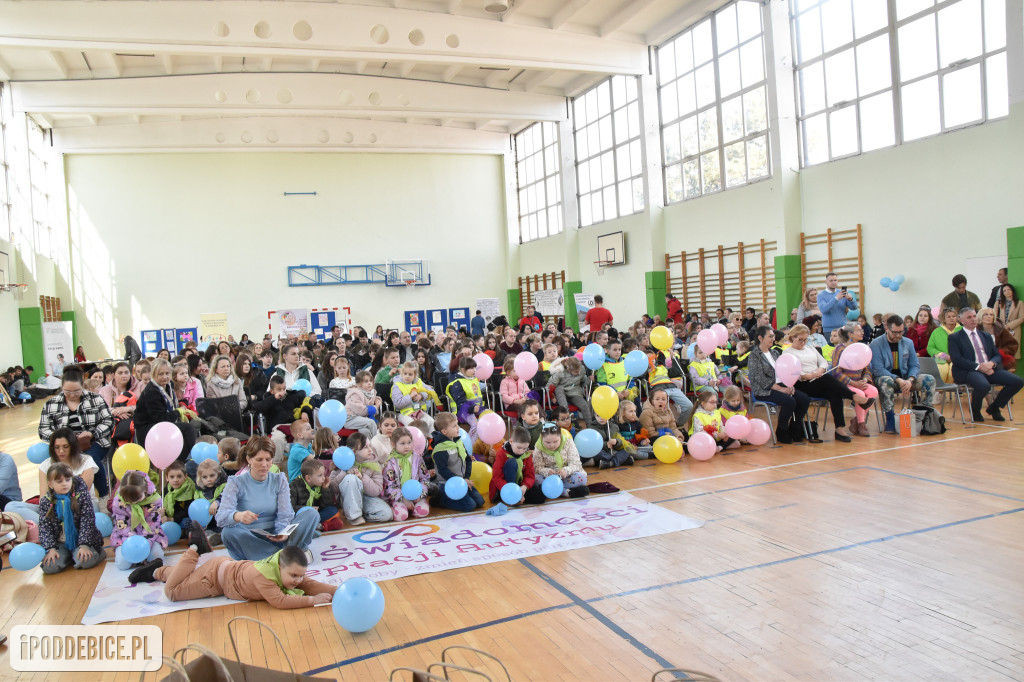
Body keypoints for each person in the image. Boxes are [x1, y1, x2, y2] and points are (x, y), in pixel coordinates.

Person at [135, 542, 336, 610]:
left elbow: (309, 583)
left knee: (186, 579)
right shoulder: (265, 577)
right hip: (213, 581)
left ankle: (155, 571)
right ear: (280, 566)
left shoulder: (281, 566)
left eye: (300, 576)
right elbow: (280, 601)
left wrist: (337, 591)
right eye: (294, 575)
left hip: (224, 567)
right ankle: (195, 550)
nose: (298, 580)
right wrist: (312, 601)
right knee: (172, 591)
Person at [215, 436, 319, 561]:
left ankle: (279, 557)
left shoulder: (279, 479)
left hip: (276, 536)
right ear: (249, 459)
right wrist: (238, 516)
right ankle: (285, 557)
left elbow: (285, 513)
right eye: (259, 460)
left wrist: (282, 533)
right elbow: (221, 517)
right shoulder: (236, 482)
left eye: (268, 459)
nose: (264, 465)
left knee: (311, 513)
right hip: (250, 539)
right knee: (228, 532)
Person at [786, 323, 873, 442]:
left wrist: (819, 370)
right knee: (827, 378)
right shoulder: (788, 353)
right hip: (803, 383)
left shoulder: (810, 348)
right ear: (793, 337)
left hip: (817, 380)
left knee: (835, 393)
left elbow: (823, 362)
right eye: (801, 339)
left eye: (806, 339)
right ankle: (854, 397)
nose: (803, 342)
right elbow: (793, 373)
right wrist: (810, 375)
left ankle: (839, 429)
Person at [38, 368, 114, 500]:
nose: (72, 395)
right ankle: (57, 497)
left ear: (83, 385)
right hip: (63, 445)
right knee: (50, 464)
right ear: (62, 387)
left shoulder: (95, 399)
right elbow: (43, 429)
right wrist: (61, 438)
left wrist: (92, 434)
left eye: (76, 391)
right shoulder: (51, 404)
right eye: (67, 391)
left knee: (91, 458)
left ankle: (103, 496)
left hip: (93, 442)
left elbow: (109, 421)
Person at [948, 308, 1024, 421]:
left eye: (974, 316)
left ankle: (994, 407)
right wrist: (980, 367)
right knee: (984, 386)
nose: (973, 319)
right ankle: (975, 410)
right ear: (961, 320)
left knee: (1018, 381)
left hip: (989, 368)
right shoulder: (955, 337)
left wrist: (991, 363)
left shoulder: (986, 335)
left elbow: (996, 354)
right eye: (969, 317)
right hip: (969, 370)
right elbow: (957, 359)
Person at [869, 315, 937, 433]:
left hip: (906, 379)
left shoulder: (908, 343)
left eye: (901, 332)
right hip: (886, 379)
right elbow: (878, 369)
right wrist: (898, 380)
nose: (898, 335)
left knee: (929, 379)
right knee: (886, 381)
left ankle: (924, 416)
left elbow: (914, 365)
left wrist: (910, 380)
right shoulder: (876, 344)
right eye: (895, 332)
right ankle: (890, 419)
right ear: (887, 329)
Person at [38, 462, 106, 574]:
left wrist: (84, 545)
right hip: (60, 544)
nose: (64, 484)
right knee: (49, 567)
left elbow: (87, 522)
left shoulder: (81, 496)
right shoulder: (46, 501)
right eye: (59, 481)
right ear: (50, 484)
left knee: (86, 561)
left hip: (80, 541)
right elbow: (45, 527)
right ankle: (69, 557)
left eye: (67, 480)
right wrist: (51, 549)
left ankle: (96, 553)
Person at [747, 325, 810, 444]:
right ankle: (781, 431)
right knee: (789, 401)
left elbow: (783, 371)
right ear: (760, 338)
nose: (773, 339)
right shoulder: (754, 356)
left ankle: (794, 429)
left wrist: (789, 384)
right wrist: (781, 389)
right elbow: (760, 379)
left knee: (804, 399)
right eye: (770, 336)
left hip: (780, 386)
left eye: (773, 336)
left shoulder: (775, 352)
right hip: (764, 390)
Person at [134, 358, 197, 463]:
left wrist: (182, 405)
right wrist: (178, 412)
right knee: (188, 429)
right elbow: (161, 419)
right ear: (153, 374)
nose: (165, 377)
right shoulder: (152, 391)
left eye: (167, 373)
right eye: (160, 374)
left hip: (161, 424)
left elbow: (169, 404)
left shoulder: (169, 385)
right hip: (148, 429)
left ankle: (179, 460)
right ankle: (177, 463)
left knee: (194, 423)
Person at [111, 470, 168, 570]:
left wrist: (144, 548)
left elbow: (152, 525)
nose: (133, 502)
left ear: (145, 490)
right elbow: (123, 526)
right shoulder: (118, 501)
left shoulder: (155, 500)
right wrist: (134, 547)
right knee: (122, 564)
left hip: (150, 536)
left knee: (156, 558)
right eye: (128, 499)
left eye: (136, 498)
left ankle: (142, 558)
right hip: (126, 538)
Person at [334, 432, 393, 526]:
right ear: (354, 451)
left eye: (370, 446)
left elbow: (376, 491)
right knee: (351, 478)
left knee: (386, 514)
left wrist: (362, 477)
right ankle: (354, 516)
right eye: (365, 447)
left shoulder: (374, 464)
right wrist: (344, 472)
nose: (370, 450)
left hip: (366, 498)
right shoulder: (343, 460)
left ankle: (358, 513)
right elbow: (332, 487)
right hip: (348, 498)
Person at [432, 412, 485, 512]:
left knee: (480, 502)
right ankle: (441, 500)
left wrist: (466, 478)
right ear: (444, 431)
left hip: (462, 481)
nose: (458, 428)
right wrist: (462, 481)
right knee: (470, 506)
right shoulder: (440, 449)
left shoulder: (458, 442)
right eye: (454, 426)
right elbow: (443, 470)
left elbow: (468, 460)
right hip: (448, 484)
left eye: (457, 424)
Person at [832, 323, 877, 437]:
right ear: (850, 334)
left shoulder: (862, 348)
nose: (862, 332)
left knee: (873, 391)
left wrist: (865, 380)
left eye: (862, 330)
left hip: (859, 382)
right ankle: (861, 424)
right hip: (845, 384)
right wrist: (853, 383)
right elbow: (836, 372)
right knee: (860, 394)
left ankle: (856, 421)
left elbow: (867, 369)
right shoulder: (840, 349)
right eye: (858, 330)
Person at [382, 426, 430, 521]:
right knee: (401, 516)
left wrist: (419, 495)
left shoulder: (417, 458)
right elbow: (389, 485)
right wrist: (403, 499)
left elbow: (425, 478)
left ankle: (414, 507)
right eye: (402, 443)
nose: (407, 446)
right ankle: (397, 507)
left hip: (417, 495)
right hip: (399, 497)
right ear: (393, 444)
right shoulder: (390, 462)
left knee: (423, 511)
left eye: (409, 442)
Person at [489, 426, 546, 505]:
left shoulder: (527, 454)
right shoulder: (501, 453)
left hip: (520, 484)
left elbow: (530, 475)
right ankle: (511, 497)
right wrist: (510, 490)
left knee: (540, 497)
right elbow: (497, 477)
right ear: (511, 441)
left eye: (525, 448)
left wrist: (524, 486)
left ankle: (518, 498)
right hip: (505, 486)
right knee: (512, 462)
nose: (521, 451)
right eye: (519, 448)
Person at [533, 422, 588, 497]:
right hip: (549, 478)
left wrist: (566, 471)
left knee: (581, 478)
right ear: (542, 439)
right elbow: (537, 467)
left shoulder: (568, 442)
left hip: (567, 476)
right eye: (547, 442)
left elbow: (576, 463)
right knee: (535, 478)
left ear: (560, 437)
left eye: (555, 441)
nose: (552, 445)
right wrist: (547, 472)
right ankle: (566, 492)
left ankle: (552, 490)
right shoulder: (538, 446)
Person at [289, 459, 340, 527]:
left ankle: (314, 525)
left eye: (323, 474)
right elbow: (290, 508)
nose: (323, 478)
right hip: (301, 516)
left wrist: (325, 489)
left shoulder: (320, 484)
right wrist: (309, 509)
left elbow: (326, 505)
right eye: (320, 475)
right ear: (308, 478)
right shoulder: (294, 486)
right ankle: (320, 526)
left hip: (315, 514)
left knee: (333, 511)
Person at [978, 307, 1020, 372]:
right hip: (980, 359)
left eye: (991, 314)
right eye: (986, 314)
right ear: (980, 317)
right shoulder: (975, 330)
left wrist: (1001, 352)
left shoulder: (1001, 330)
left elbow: (1013, 344)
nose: (989, 316)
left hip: (998, 359)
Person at [994, 284, 1023, 362]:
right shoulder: (998, 303)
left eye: (1009, 289)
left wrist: (1009, 326)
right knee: (1002, 352)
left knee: (1013, 352)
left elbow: (1022, 318)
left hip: (1014, 330)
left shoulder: (1019, 303)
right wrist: (1001, 326)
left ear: (1012, 291)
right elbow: (994, 317)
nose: (1007, 292)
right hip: (1001, 330)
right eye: (1004, 291)